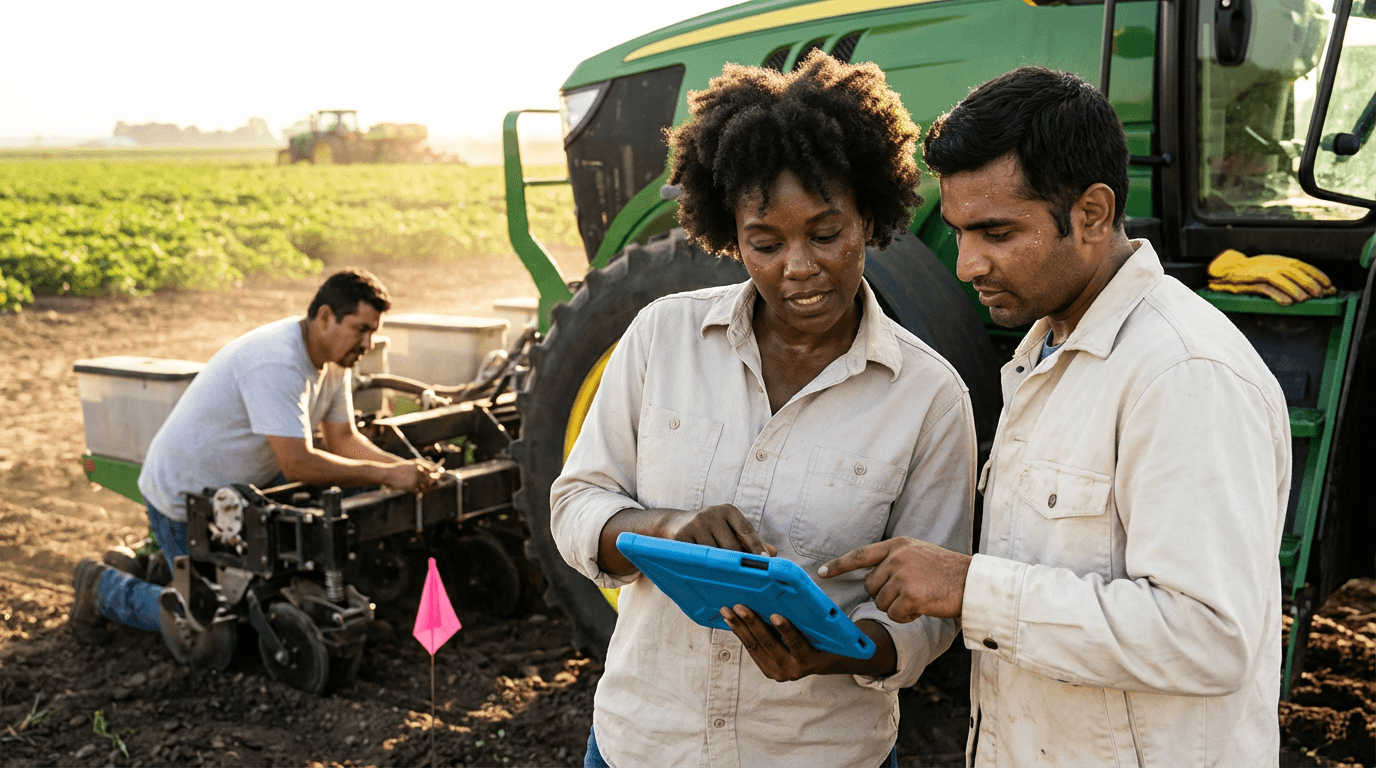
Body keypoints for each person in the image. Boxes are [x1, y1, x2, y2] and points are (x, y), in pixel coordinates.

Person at [820, 67, 1290, 765]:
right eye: (958, 232)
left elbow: (1206, 636)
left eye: (997, 233)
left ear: (1093, 215)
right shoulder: (1046, 350)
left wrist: (967, 585)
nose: (966, 265)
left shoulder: (1183, 375)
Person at [550, 51, 976, 768]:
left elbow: (929, 618)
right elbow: (575, 506)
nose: (798, 266)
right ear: (730, 234)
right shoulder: (663, 337)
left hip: (818, 752)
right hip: (645, 745)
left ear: (869, 219)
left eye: (826, 233)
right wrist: (665, 527)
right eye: (765, 242)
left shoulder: (929, 397)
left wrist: (841, 652)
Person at [70, 267, 439, 643]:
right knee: (209, 625)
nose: (369, 341)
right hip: (186, 500)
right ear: (326, 317)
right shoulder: (278, 361)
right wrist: (386, 475)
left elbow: (343, 439)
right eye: (361, 329)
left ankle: (165, 571)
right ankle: (101, 588)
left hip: (244, 486)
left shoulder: (333, 361)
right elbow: (296, 463)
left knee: (345, 503)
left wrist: (405, 470)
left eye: (373, 330)